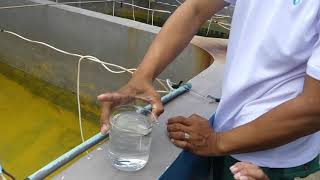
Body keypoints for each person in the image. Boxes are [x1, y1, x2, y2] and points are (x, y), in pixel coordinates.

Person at [97, 0, 320, 179]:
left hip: (273, 155)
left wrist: (217, 142)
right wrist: (142, 77)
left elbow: (314, 107)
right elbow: (195, 8)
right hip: (229, 126)